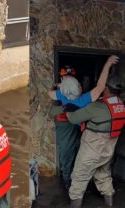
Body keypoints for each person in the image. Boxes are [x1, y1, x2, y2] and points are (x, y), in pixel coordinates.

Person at [47, 55, 119, 188]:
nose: (81, 85)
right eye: (79, 84)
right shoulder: (83, 99)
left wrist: (56, 86)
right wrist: (107, 65)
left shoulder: (62, 95)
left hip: (69, 126)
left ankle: (68, 182)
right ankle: (78, 182)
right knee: (79, 156)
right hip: (80, 127)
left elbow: (50, 93)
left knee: (67, 155)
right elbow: (100, 86)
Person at [67, 74, 125, 208]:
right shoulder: (120, 106)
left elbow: (74, 119)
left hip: (91, 151)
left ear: (106, 88)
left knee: (78, 179)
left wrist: (68, 109)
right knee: (104, 176)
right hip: (107, 152)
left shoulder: (97, 107)